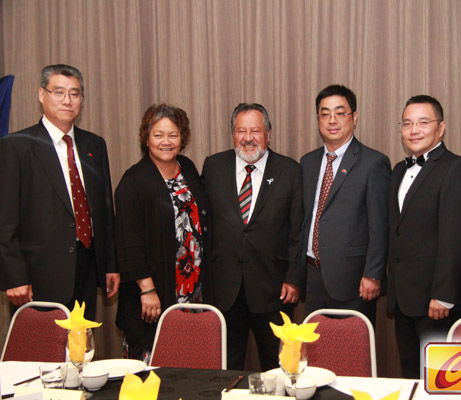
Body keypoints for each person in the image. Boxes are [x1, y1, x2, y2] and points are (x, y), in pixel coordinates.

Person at [0, 64, 119, 320]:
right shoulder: (16, 147)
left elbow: (104, 210)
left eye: (74, 94)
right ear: (42, 94)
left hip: (88, 267)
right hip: (38, 275)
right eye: (59, 92)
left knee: (81, 341)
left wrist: (110, 265)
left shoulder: (95, 145)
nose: (67, 100)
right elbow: (5, 220)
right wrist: (14, 277)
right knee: (40, 345)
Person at [201, 103, 303, 370]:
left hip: (274, 289)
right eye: (241, 131)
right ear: (233, 134)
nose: (248, 138)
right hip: (224, 288)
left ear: (268, 134)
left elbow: (297, 231)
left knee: (278, 366)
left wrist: (293, 278)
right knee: (226, 366)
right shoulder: (213, 167)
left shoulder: (289, 171)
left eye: (255, 131)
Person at [387, 95, 461, 378]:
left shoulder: (457, 169)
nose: (414, 130)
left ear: (441, 128)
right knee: (412, 375)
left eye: (423, 122)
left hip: (437, 303)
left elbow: (457, 238)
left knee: (445, 380)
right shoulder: (398, 170)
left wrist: (443, 295)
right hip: (404, 299)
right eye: (407, 123)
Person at [114, 104, 210, 362]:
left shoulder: (187, 167)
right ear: (146, 139)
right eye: (158, 135)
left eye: (173, 135)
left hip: (192, 288)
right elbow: (127, 242)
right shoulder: (133, 182)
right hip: (155, 290)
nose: (166, 142)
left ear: (182, 138)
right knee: (154, 363)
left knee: (189, 362)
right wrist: (147, 289)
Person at [300, 84, 391, 326]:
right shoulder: (308, 162)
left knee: (351, 347)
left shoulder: (373, 163)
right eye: (325, 114)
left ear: (355, 117)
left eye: (340, 113)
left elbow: (379, 225)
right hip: (312, 276)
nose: (332, 120)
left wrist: (373, 273)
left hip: (353, 280)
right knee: (314, 344)